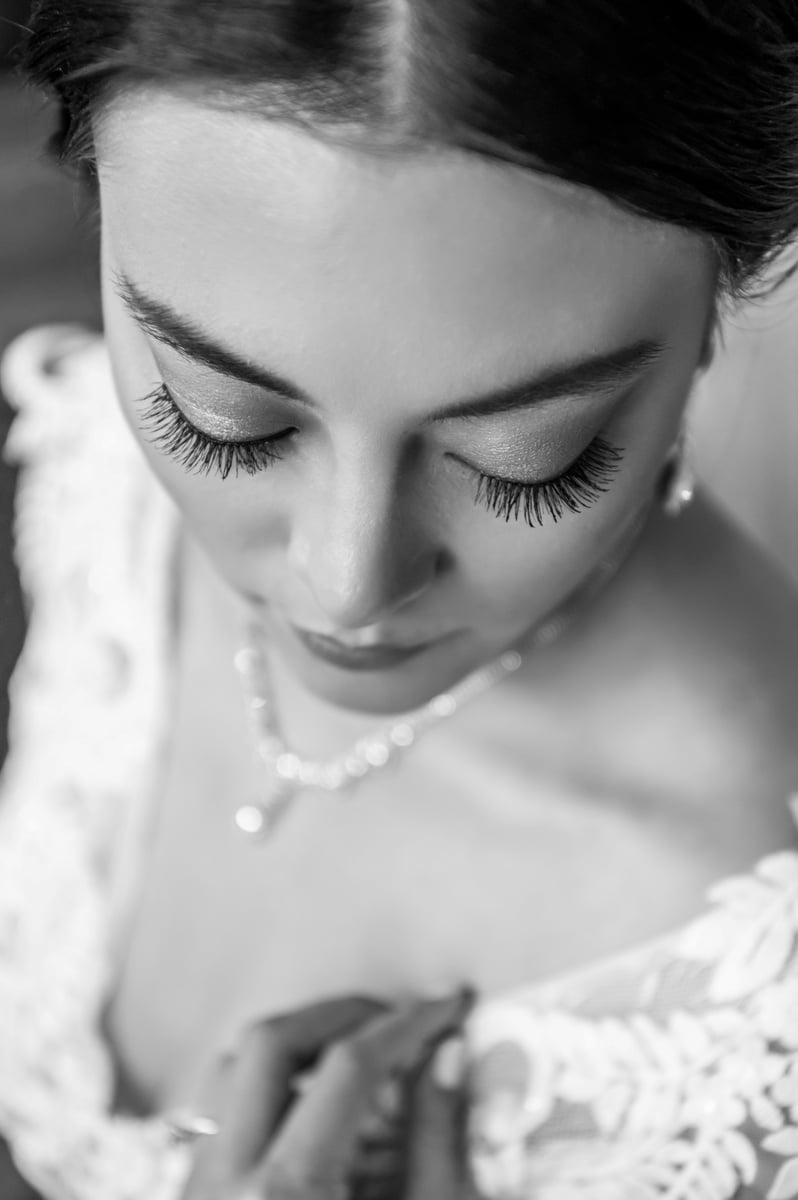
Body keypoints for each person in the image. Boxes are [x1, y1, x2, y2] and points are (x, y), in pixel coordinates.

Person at [1, 1, 798, 1197]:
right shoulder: (107, 497)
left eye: (527, 461)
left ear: (713, 317)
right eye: (224, 422)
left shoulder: (754, 1001)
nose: (345, 584)